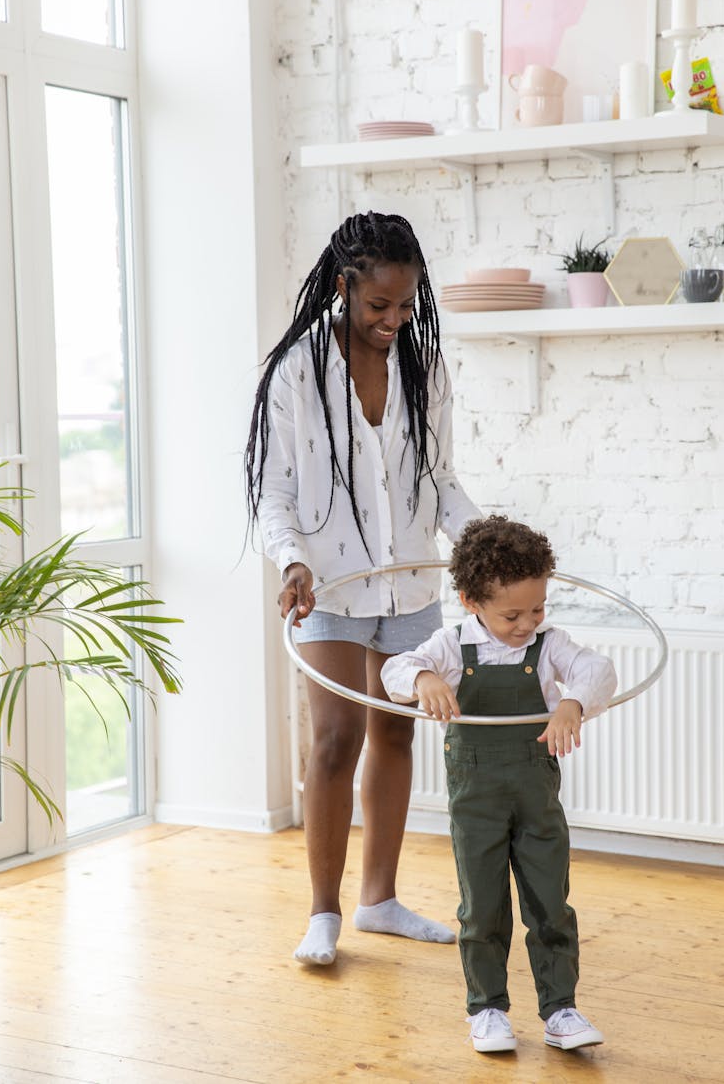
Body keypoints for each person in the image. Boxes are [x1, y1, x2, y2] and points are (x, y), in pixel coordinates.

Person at [244, 211, 482, 966]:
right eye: (379, 305)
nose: (394, 320)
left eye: (407, 305)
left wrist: (482, 546)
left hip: (409, 580)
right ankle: (323, 911)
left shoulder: (423, 368)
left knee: (398, 728)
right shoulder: (297, 371)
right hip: (329, 586)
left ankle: (379, 899)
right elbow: (274, 488)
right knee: (336, 737)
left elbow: (442, 482)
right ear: (344, 286)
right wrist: (290, 562)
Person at [381, 515, 617, 1054]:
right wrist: (424, 679)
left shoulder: (549, 645)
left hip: (537, 800)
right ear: (470, 601)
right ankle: (487, 1010)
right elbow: (395, 670)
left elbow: (599, 669)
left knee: (550, 903)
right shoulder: (449, 646)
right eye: (512, 614)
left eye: (537, 608)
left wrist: (573, 703)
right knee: (482, 908)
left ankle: (561, 1010)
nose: (526, 623)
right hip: (476, 802)